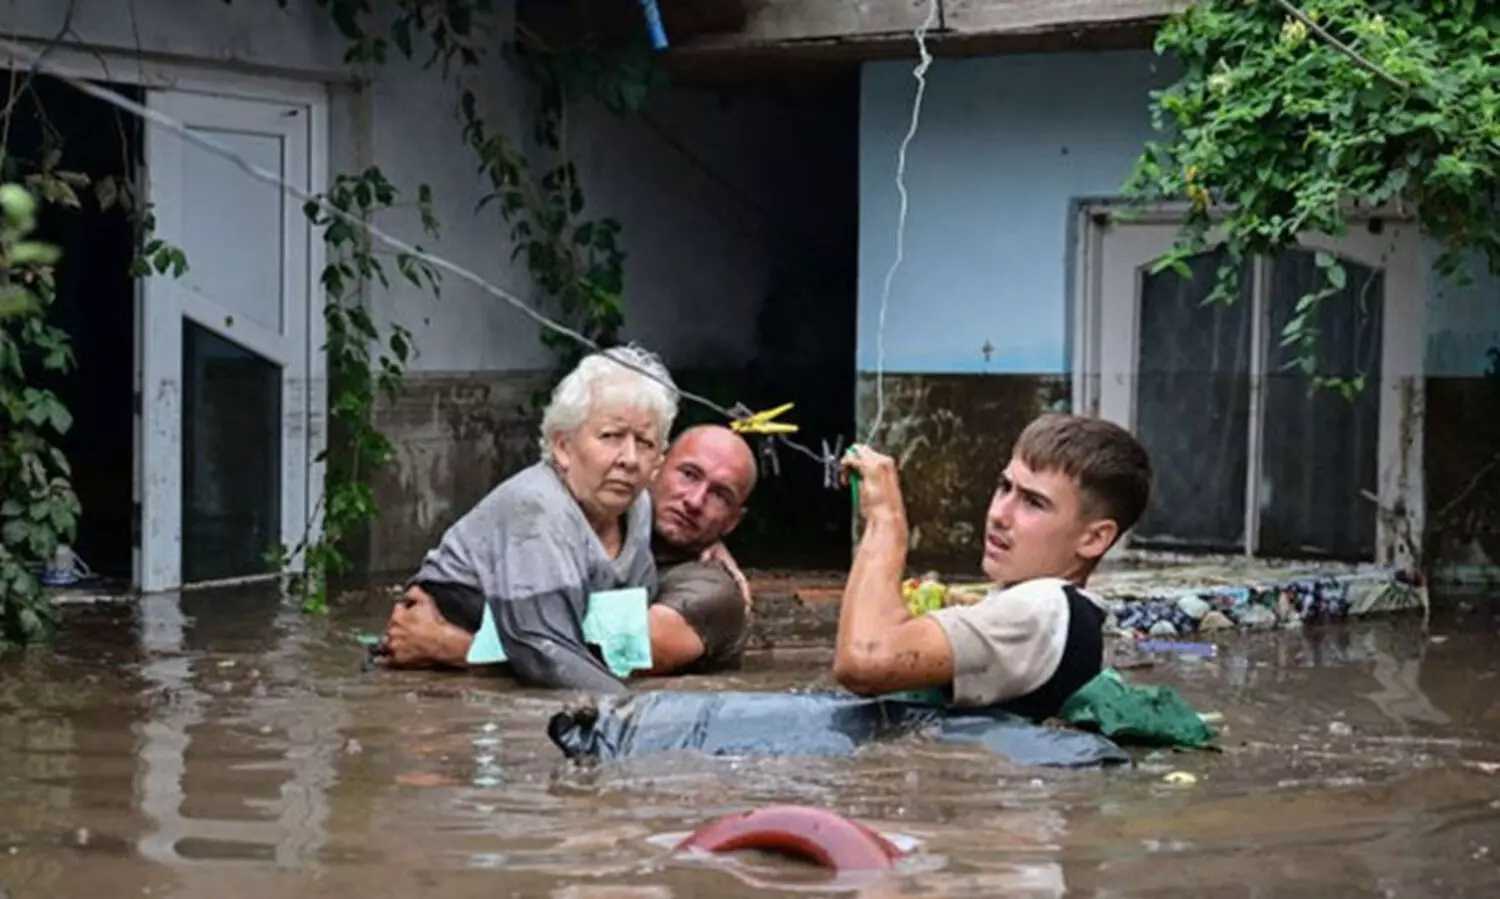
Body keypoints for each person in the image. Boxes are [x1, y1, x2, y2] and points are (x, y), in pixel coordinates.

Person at [374, 344, 678, 694]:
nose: (629, 458)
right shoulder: (537, 507)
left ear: (658, 462)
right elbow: (545, 654)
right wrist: (640, 718)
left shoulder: (639, 509)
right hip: (435, 680)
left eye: (644, 442)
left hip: (490, 658)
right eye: (611, 436)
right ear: (563, 447)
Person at [832, 413, 1153, 722]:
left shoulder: (1041, 605)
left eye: (1033, 502)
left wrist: (885, 519)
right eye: (1005, 487)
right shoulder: (1073, 614)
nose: (1000, 513)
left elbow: (865, 660)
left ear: (1094, 538)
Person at [379, 422, 760, 680]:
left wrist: (451, 648)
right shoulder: (598, 524)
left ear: (732, 522)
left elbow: (613, 663)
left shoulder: (713, 592)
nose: (694, 500)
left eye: (719, 496)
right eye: (689, 475)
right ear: (655, 468)